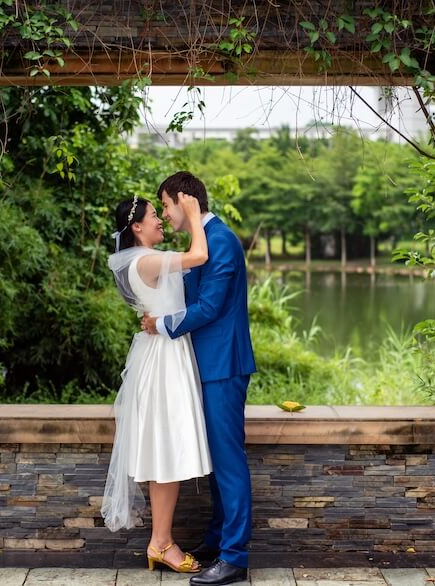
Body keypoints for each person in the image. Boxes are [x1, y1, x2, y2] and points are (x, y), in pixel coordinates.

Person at [141, 171, 256, 586]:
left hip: (224, 365)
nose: (166, 214)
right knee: (215, 465)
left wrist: (161, 324)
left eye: (167, 205)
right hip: (205, 366)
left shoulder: (221, 241)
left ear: (185, 201)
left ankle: (235, 557)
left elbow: (208, 308)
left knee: (228, 462)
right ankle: (217, 541)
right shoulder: (203, 243)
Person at [102, 193, 213, 574]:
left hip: (164, 352)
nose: (160, 221)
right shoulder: (147, 260)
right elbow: (198, 256)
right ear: (137, 227)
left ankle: (160, 540)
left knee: (163, 450)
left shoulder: (141, 260)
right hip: (164, 359)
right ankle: (161, 542)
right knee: (166, 451)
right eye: (154, 216)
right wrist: (197, 216)